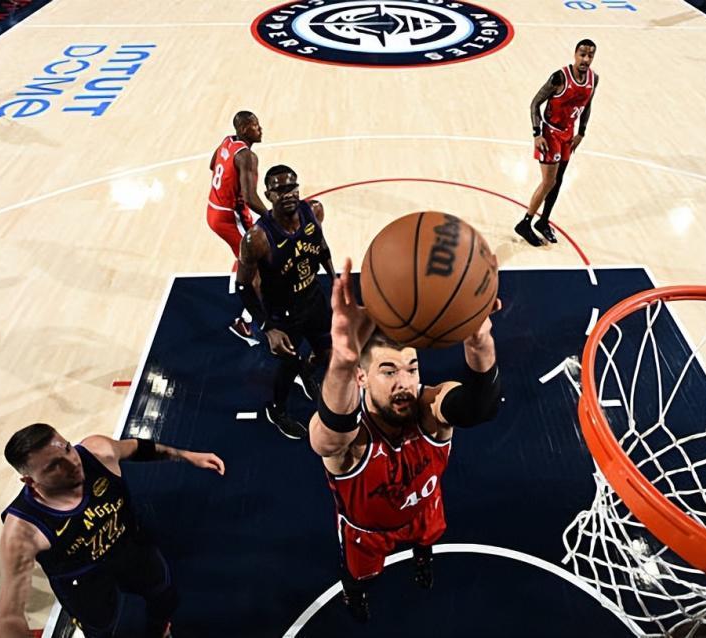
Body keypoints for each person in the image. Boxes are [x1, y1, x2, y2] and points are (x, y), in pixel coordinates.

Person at [308, 259, 502, 621]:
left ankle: (422, 558)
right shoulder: (355, 439)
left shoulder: (429, 409)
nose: (405, 383)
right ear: (362, 377)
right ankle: (355, 594)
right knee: (358, 576)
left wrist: (478, 338)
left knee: (426, 542)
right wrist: (343, 362)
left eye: (412, 369)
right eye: (389, 371)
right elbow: (327, 439)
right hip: (367, 532)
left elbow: (481, 406)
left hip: (423, 512)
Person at [0, 423, 225, 638]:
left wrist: (186, 456)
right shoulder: (23, 530)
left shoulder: (98, 452)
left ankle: (159, 631)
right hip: (84, 581)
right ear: (29, 480)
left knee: (164, 597)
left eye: (67, 448)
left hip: (130, 546)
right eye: (54, 465)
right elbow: (9, 616)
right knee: (104, 630)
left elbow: (137, 448)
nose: (72, 462)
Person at [237, 164, 336, 439]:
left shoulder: (313, 211)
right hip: (284, 314)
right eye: (280, 190)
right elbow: (243, 286)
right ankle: (277, 410)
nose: (288, 193)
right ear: (268, 195)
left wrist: (335, 279)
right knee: (289, 364)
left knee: (326, 351)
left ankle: (308, 372)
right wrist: (268, 328)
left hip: (314, 298)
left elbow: (321, 246)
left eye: (292, 187)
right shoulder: (257, 238)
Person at [515, 39, 599, 247]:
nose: (586, 59)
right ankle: (525, 223)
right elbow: (535, 103)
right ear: (574, 54)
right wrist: (537, 134)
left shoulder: (593, 79)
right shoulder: (559, 77)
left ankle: (543, 222)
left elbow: (587, 106)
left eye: (590, 55)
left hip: (568, 134)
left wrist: (581, 132)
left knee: (558, 180)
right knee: (548, 182)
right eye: (582, 54)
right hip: (550, 133)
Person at [207, 111, 270, 338]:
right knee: (259, 264)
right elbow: (251, 198)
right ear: (244, 129)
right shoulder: (247, 157)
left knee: (252, 257)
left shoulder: (228, 142)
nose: (260, 129)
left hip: (214, 208)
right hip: (231, 217)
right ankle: (248, 322)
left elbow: (212, 164)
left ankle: (243, 268)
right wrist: (273, 217)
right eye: (255, 125)